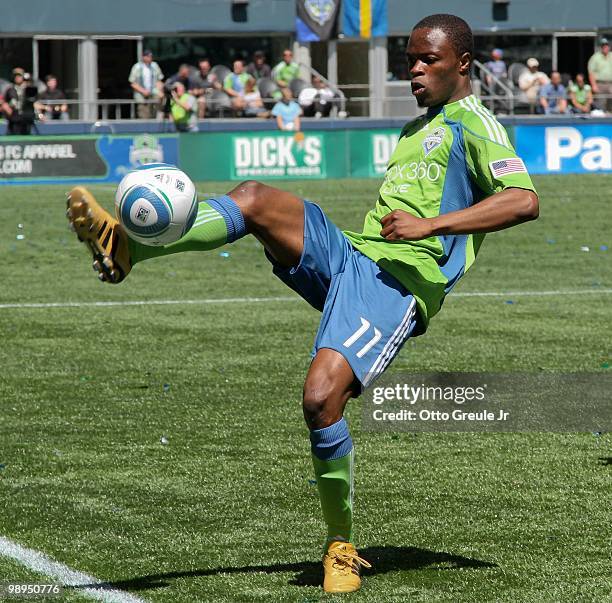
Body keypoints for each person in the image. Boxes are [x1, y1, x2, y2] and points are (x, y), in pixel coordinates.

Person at [66, 12, 539, 595]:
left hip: (398, 285)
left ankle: (340, 545)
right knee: (257, 199)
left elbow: (522, 200)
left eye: (427, 60)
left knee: (321, 400)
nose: (413, 70)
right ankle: (128, 250)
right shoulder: (419, 127)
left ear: (462, 64)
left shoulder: (476, 123)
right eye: (409, 60)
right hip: (353, 257)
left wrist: (429, 226)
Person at [128, 49, 164, 119]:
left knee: (155, 114)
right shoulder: (137, 67)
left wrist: (160, 91)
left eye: (151, 56)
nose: (150, 58)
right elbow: (132, 83)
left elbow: (159, 80)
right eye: (148, 56)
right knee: (144, 116)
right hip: (141, 96)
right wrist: (143, 91)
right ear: (143, 57)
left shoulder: (155, 66)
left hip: (154, 94)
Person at [2, 68, 37, 134]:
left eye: (19, 76)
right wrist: (6, 107)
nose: (17, 78)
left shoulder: (28, 88)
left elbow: (35, 101)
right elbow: (4, 102)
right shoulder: (10, 89)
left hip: (26, 118)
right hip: (14, 118)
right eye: (16, 76)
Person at [588, 38, 612, 113]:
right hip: (599, 84)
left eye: (607, 45)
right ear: (601, 47)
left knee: (610, 106)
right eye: (603, 45)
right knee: (601, 105)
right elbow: (591, 72)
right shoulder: (595, 57)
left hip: (611, 84)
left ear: (609, 46)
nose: (605, 47)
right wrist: (594, 85)